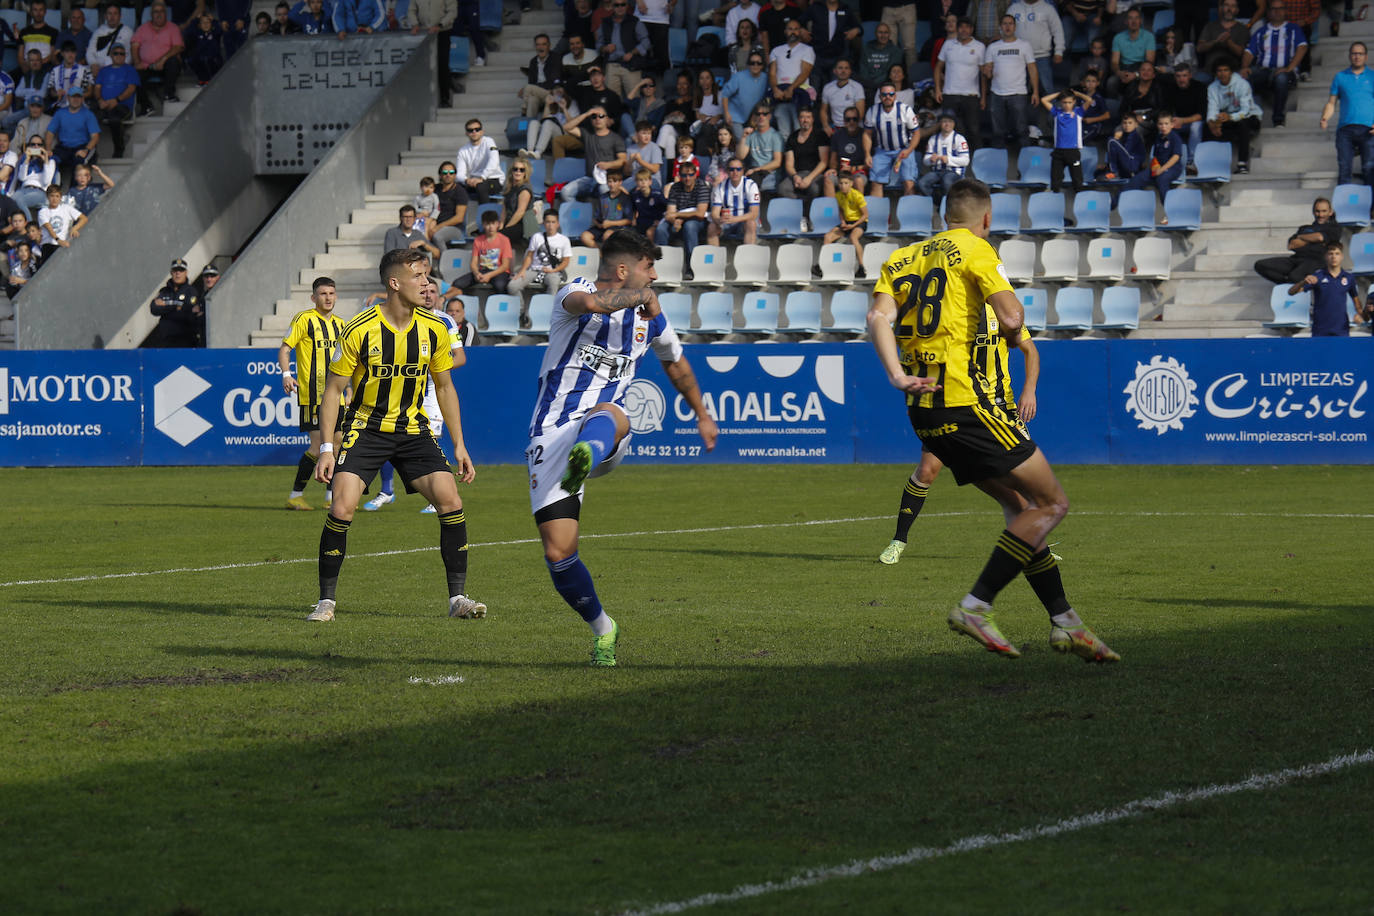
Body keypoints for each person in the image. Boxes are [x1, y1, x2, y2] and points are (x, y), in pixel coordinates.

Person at [866, 177, 1119, 664]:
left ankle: (1066, 622)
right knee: (1052, 504)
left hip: (923, 409)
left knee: (1022, 508)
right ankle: (976, 607)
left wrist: (898, 375)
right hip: (968, 403)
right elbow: (1011, 316)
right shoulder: (978, 250)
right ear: (986, 218)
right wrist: (1009, 315)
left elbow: (878, 318)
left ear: (945, 216)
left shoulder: (901, 259)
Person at [526, 228, 718, 666]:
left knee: (611, 410)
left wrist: (702, 414)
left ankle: (586, 456)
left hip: (604, 429)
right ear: (623, 270)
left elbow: (676, 364)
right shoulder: (575, 290)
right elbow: (590, 304)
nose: (653, 277)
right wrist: (641, 297)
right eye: (649, 269)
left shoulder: (654, 321)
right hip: (550, 430)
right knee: (559, 553)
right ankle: (603, 628)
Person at [310, 247, 485, 623]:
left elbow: (444, 388)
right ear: (394, 283)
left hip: (412, 430)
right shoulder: (360, 328)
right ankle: (326, 601)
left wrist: (459, 445)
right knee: (342, 507)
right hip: (366, 428)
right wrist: (327, 447)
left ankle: (458, 600)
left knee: (450, 501)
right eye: (418, 276)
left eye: (427, 276)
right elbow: (333, 391)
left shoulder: (435, 327)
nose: (426, 283)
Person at [879, 330, 1039, 566]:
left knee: (1022, 479)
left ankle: (1032, 546)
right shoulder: (957, 310)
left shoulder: (1003, 308)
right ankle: (898, 541)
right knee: (926, 471)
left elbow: (1030, 350)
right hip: (959, 405)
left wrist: (1029, 390)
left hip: (999, 405)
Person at [279, 276, 345, 511]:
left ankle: (332, 497)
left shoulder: (340, 324)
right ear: (313, 297)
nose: (328, 298)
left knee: (338, 445)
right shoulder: (304, 319)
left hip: (337, 396)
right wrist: (287, 374)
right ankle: (295, 495)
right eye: (323, 294)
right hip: (313, 395)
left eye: (331, 293)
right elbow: (285, 349)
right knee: (318, 448)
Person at [1240, 0, 1306, 128]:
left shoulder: (1293, 28)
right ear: (1268, 12)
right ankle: (1249, 118)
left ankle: (1278, 119)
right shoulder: (1261, 31)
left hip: (1286, 72)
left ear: (1285, 11)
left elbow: (1302, 48)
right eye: (1273, 9)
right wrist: (1244, 68)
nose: (1277, 11)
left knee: (1281, 79)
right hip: (1264, 70)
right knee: (1243, 78)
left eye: (1280, 8)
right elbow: (1249, 53)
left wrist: (1289, 68)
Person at [1321, 42, 1374, 187]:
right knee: (1344, 169)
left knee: (1369, 169)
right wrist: (1325, 118)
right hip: (1345, 130)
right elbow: (1331, 103)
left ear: (1366, 56)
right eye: (1354, 53)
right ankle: (1343, 207)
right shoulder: (1340, 77)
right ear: (1350, 56)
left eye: (1360, 53)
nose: (1357, 56)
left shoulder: (1373, 76)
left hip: (1368, 129)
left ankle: (1370, 208)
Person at [1254, 197, 1341, 284]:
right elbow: (1291, 245)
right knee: (1260, 265)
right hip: (1296, 259)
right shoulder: (1305, 228)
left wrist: (1301, 238)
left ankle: (1291, 284)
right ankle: (1286, 284)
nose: (1320, 215)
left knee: (1295, 277)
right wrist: (1312, 240)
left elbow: (1319, 237)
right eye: (1317, 211)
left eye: (1324, 211)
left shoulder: (1334, 228)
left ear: (1330, 212)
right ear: (1313, 212)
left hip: (1316, 261)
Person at [983, 14, 1038, 150]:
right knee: (997, 131)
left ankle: (1026, 157)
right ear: (1000, 27)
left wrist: (1035, 91)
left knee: (1021, 129)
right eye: (1005, 24)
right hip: (997, 93)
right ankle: (998, 159)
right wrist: (987, 72)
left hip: (1018, 93)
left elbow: (1032, 69)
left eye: (1010, 23)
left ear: (1015, 26)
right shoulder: (992, 47)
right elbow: (987, 74)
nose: (1008, 26)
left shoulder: (1024, 45)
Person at [559, 104, 627, 202]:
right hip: (589, 178)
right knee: (566, 191)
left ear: (607, 119)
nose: (597, 119)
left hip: (607, 179)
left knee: (605, 190)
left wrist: (608, 165)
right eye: (594, 117)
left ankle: (605, 217)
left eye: (601, 116)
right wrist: (586, 114)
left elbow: (623, 160)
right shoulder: (587, 134)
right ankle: (579, 214)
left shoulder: (616, 138)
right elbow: (566, 127)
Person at [935, 18, 985, 150]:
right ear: (957, 29)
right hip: (950, 94)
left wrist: (984, 97)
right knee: (949, 130)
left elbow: (983, 75)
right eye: (961, 27)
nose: (964, 30)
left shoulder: (980, 47)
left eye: (967, 27)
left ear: (972, 30)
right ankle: (951, 158)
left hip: (971, 95)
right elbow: (938, 67)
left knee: (974, 129)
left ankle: (978, 160)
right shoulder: (948, 44)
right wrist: (938, 90)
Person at [1290, 241, 1359, 337]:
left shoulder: (1348, 277)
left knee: (1340, 352)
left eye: (1337, 254)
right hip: (1320, 328)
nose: (1334, 257)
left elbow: (1356, 299)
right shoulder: (1318, 276)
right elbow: (1291, 292)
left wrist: (1360, 314)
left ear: (1342, 256)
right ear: (1325, 256)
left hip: (1341, 328)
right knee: (1320, 352)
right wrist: (1303, 282)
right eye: (1330, 254)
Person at [654, 157, 709, 274]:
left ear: (695, 175)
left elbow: (700, 213)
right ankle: (661, 268)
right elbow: (670, 213)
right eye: (684, 175)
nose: (687, 178)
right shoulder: (675, 187)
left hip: (697, 222)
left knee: (690, 226)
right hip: (678, 220)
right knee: (660, 229)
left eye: (690, 175)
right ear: (679, 176)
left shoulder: (702, 186)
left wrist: (679, 217)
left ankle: (692, 269)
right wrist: (676, 219)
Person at [1206, 58, 1262, 173]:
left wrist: (1230, 117)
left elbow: (1246, 110)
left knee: (1243, 125)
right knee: (1206, 128)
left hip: (1249, 117)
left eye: (1226, 70)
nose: (1222, 73)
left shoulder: (1242, 84)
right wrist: (1213, 123)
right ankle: (1209, 166)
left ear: (1231, 72)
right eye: (1219, 70)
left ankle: (1242, 164)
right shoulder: (1212, 87)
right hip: (1227, 118)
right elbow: (1212, 108)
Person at [509, 208, 574, 308]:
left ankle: (548, 311)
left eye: (553, 222)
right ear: (543, 223)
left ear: (558, 224)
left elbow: (566, 261)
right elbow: (529, 256)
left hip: (552, 271)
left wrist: (554, 270)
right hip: (534, 270)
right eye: (548, 222)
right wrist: (522, 271)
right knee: (512, 286)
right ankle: (521, 311)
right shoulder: (536, 237)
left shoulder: (564, 240)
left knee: (554, 283)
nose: (550, 225)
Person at [866, 79, 920, 197]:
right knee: (876, 183)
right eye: (884, 94)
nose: (887, 97)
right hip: (882, 151)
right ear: (880, 96)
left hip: (904, 149)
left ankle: (909, 213)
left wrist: (909, 150)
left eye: (891, 94)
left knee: (908, 182)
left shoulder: (905, 110)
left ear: (895, 95)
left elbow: (916, 133)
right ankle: (877, 214)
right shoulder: (872, 111)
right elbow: (867, 134)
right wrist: (867, 154)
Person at [131, 2, 184, 112]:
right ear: (151, 14)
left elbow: (178, 47)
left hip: (166, 65)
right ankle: (146, 106)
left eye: (162, 11)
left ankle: (169, 94)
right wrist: (137, 62)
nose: (159, 14)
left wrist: (162, 60)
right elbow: (134, 46)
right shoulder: (142, 28)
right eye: (156, 11)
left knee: (174, 61)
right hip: (147, 65)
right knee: (133, 75)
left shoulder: (173, 27)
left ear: (166, 13)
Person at [767, 20, 814, 139]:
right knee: (784, 133)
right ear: (785, 31)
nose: (793, 32)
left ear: (800, 31)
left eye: (796, 29)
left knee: (800, 129)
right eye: (790, 29)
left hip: (799, 94)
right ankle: (786, 157)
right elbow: (772, 73)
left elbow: (805, 73)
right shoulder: (776, 50)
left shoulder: (807, 50)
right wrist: (775, 89)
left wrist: (791, 88)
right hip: (780, 95)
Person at [404, 0, 456, 108]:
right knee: (423, 67)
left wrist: (440, 25)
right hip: (423, 34)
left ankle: (445, 98)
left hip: (442, 33)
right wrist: (415, 24)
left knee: (442, 65)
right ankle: (422, 100)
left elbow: (452, 12)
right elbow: (411, 10)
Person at [43, 86, 99, 185]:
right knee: (51, 160)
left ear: (82, 99)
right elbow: (50, 132)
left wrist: (86, 150)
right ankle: (54, 191)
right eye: (73, 97)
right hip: (64, 147)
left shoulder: (88, 114)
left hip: (82, 146)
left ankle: (73, 193)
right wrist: (48, 149)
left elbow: (95, 136)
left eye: (78, 97)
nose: (76, 99)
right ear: (68, 98)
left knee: (79, 163)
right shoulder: (60, 113)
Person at [1005, 0, 1063, 93]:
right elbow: (1004, 29)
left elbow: (1057, 31)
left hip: (1041, 56)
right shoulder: (1014, 8)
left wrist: (1059, 51)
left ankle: (1050, 107)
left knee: (1047, 90)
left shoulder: (1048, 8)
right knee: (1019, 90)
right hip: (1018, 56)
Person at [91, 44, 138, 158]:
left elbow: (131, 88)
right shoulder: (103, 71)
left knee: (114, 119)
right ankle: (91, 151)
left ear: (125, 56)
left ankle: (119, 149)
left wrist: (116, 100)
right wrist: (100, 100)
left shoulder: (130, 70)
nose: (119, 55)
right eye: (116, 53)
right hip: (104, 104)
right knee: (90, 119)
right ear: (111, 55)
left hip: (122, 105)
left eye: (122, 53)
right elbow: (97, 88)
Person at [146, 257, 204, 347]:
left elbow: (189, 313)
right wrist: (177, 306)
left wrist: (166, 305)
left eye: (181, 270)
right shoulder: (164, 291)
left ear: (186, 273)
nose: (178, 273)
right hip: (166, 341)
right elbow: (154, 309)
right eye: (175, 270)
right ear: (171, 272)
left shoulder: (191, 291)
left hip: (186, 341)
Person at [450, 209, 512, 293]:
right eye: (487, 224)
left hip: (499, 272)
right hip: (482, 271)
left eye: (493, 224)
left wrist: (489, 275)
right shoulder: (478, 240)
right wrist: (476, 273)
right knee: (458, 283)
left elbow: (505, 266)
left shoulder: (504, 240)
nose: (490, 227)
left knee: (499, 285)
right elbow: (473, 263)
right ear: (483, 225)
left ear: (497, 224)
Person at [916, 111, 969, 206]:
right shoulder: (933, 139)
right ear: (940, 124)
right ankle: (940, 204)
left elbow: (965, 160)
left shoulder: (959, 139)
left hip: (954, 172)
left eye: (949, 121)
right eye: (944, 121)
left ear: (954, 124)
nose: (947, 124)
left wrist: (949, 160)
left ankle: (951, 205)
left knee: (947, 181)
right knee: (921, 183)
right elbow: (926, 161)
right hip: (937, 171)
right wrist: (931, 160)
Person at [821, 170, 867, 276]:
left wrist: (853, 226)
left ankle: (862, 267)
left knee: (853, 238)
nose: (843, 186)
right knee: (828, 236)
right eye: (841, 183)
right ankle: (825, 266)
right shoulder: (838, 195)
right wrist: (842, 222)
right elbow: (841, 211)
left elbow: (865, 215)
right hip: (846, 223)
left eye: (846, 183)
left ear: (851, 183)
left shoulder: (857, 196)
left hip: (859, 222)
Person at [804, 0, 861, 85]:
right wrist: (802, 30)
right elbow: (799, 22)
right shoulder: (816, 7)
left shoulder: (845, 8)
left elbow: (859, 28)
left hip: (837, 55)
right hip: (817, 55)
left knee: (835, 88)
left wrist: (856, 30)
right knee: (813, 87)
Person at [777, 105, 828, 200]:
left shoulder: (820, 135)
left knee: (814, 189)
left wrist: (809, 178)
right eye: (802, 117)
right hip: (798, 173)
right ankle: (801, 205)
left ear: (812, 119)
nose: (805, 120)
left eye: (808, 117)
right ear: (798, 119)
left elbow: (824, 162)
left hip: (816, 174)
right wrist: (795, 176)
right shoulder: (792, 137)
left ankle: (807, 209)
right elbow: (789, 164)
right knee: (782, 188)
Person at [707, 156, 760, 244]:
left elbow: (754, 214)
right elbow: (714, 213)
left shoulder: (751, 185)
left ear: (743, 171)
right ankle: (712, 257)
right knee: (712, 227)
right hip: (726, 223)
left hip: (743, 222)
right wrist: (719, 220)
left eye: (738, 169)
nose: (735, 172)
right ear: (727, 171)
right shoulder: (720, 187)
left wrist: (735, 219)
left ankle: (749, 256)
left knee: (751, 224)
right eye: (732, 169)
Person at [1165, 64, 1208, 171]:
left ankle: (1191, 161)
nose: (1181, 79)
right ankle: (1170, 161)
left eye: (1184, 76)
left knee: (1195, 126)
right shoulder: (1171, 88)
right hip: (1178, 121)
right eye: (1178, 76)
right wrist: (1173, 121)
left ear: (1190, 76)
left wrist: (1182, 120)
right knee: (1165, 126)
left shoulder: (1200, 87)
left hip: (1196, 121)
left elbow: (1202, 114)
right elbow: (1167, 110)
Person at [455, 119, 505, 209]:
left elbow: (494, 161)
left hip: (494, 179)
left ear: (482, 131)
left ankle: (487, 219)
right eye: (470, 130)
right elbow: (459, 173)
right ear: (466, 133)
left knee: (481, 186)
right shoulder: (463, 150)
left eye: (477, 129)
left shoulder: (489, 141)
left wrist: (482, 178)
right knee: (454, 187)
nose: (474, 132)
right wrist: (467, 180)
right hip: (473, 181)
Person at [1108, 8, 1155, 98]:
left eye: (1136, 18)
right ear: (1126, 22)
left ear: (1140, 21)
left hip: (1141, 67)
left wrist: (1136, 74)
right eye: (1130, 18)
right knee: (1111, 82)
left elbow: (1150, 61)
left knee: (1138, 82)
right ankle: (1114, 108)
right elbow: (1114, 62)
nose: (1134, 21)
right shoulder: (1118, 37)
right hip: (1124, 67)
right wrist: (1119, 73)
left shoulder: (1149, 36)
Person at [581, 167, 634, 246]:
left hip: (619, 227)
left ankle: (608, 255)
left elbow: (629, 220)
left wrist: (611, 223)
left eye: (615, 181)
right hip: (604, 226)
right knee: (585, 236)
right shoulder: (603, 197)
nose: (612, 184)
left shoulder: (625, 198)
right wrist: (599, 224)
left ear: (620, 182)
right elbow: (596, 218)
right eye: (609, 182)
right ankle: (600, 253)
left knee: (607, 235)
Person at [1198, 0, 1250, 78]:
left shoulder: (1242, 29)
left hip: (1232, 74)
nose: (1229, 9)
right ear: (1221, 8)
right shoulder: (1210, 26)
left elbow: (1241, 53)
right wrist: (1216, 42)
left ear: (1237, 10)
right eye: (1226, 5)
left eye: (1233, 6)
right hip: (1209, 72)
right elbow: (1199, 48)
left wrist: (1228, 42)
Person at [519, 33, 563, 120]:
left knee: (528, 88)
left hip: (551, 93)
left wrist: (531, 88)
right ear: (535, 47)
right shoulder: (533, 61)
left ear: (549, 46)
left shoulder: (555, 58)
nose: (541, 47)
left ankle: (523, 111)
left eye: (544, 44)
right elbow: (531, 82)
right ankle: (529, 126)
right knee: (531, 99)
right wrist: (533, 88)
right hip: (538, 94)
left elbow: (553, 81)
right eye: (538, 44)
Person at [35, 183, 84, 259]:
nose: (54, 199)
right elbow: (49, 228)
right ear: (48, 197)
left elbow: (83, 218)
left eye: (57, 196)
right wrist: (58, 240)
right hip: (49, 245)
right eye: (52, 196)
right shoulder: (43, 211)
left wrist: (74, 228)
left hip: (63, 244)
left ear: (60, 198)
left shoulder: (66, 208)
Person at [819, 58, 865, 136]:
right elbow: (823, 110)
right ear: (834, 71)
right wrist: (826, 126)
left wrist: (851, 128)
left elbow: (860, 111)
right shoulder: (828, 88)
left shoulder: (857, 87)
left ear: (850, 71)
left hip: (854, 126)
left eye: (846, 68)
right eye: (840, 68)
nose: (843, 71)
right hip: (835, 127)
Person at [500, 159, 537, 253]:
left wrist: (506, 228)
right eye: (515, 169)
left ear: (525, 173)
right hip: (510, 222)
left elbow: (520, 212)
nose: (518, 172)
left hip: (521, 225)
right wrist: (501, 225)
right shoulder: (509, 188)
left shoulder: (525, 190)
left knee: (499, 238)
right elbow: (504, 210)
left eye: (521, 170)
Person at [858, 21, 903, 96]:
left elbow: (889, 72)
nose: (883, 35)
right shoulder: (866, 49)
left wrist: (874, 84)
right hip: (867, 86)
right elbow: (863, 69)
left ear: (889, 34)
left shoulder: (896, 51)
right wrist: (869, 83)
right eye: (880, 32)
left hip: (886, 87)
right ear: (875, 34)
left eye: (886, 32)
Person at [431, 161, 469, 249]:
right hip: (434, 224)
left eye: (451, 172)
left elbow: (459, 218)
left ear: (455, 175)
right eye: (445, 172)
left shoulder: (460, 191)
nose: (448, 175)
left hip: (454, 228)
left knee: (437, 237)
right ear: (440, 175)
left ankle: (445, 260)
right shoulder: (435, 189)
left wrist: (438, 227)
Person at [182, 13, 223, 86]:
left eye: (208, 22)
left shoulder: (214, 33)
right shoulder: (198, 33)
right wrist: (196, 20)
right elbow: (189, 31)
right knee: (193, 59)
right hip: (201, 58)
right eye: (203, 22)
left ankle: (212, 79)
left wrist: (214, 21)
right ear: (199, 25)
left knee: (211, 60)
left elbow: (220, 29)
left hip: (213, 59)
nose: (205, 24)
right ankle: (203, 79)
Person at [630, 166, 668, 235]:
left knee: (650, 233)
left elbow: (667, 208)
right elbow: (633, 209)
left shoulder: (657, 194)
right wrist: (634, 219)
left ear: (650, 182)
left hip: (654, 222)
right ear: (636, 182)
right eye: (640, 180)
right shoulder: (635, 195)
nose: (643, 183)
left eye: (646, 180)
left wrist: (661, 220)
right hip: (642, 222)